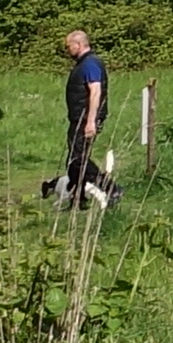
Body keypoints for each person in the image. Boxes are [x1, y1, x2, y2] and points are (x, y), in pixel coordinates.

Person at [47, 28, 114, 208]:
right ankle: (78, 199)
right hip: (79, 118)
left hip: (86, 119)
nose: (67, 50)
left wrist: (91, 120)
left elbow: (95, 91)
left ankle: (111, 189)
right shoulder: (83, 63)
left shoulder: (90, 63)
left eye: (69, 46)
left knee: (78, 159)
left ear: (78, 44)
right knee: (72, 163)